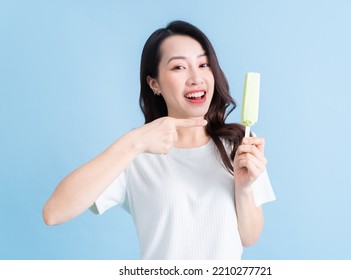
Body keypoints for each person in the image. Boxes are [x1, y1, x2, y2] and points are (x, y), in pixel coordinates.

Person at [42, 20, 275, 260]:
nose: (196, 77)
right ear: (154, 84)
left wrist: (244, 187)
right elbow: (54, 213)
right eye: (178, 68)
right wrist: (135, 142)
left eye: (203, 64)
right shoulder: (136, 151)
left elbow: (248, 237)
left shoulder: (241, 145)